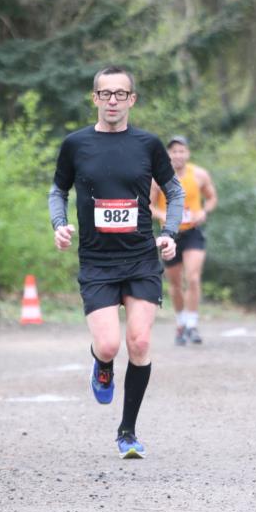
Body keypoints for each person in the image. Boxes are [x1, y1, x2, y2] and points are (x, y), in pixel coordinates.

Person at [48, 66, 184, 459]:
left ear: (131, 100)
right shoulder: (76, 144)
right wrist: (60, 224)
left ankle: (127, 432)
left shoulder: (148, 145)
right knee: (107, 345)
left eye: (120, 94)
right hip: (96, 261)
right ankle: (101, 365)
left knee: (139, 342)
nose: (112, 101)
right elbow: (58, 190)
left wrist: (169, 234)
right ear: (94, 98)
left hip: (141, 257)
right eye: (105, 94)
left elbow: (174, 192)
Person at [150, 135, 217, 345]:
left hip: (192, 232)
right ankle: (180, 323)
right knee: (176, 283)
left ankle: (192, 324)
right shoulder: (157, 176)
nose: (178, 155)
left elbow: (212, 197)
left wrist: (204, 212)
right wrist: (163, 215)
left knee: (194, 277)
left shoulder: (199, 174)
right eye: (173, 151)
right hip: (170, 235)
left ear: (187, 153)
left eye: (181, 150)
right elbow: (148, 205)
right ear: (168, 154)